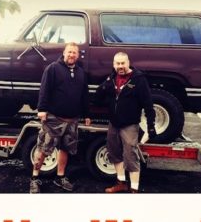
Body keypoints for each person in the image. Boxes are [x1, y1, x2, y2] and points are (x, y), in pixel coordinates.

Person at [30, 42, 90, 193]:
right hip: (54, 119)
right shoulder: (53, 69)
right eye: (69, 52)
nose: (71, 55)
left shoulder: (81, 73)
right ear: (64, 53)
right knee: (43, 148)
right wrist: (42, 109)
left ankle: (60, 177)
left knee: (65, 149)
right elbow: (44, 89)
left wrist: (87, 114)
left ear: (78, 55)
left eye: (74, 53)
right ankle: (35, 178)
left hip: (73, 120)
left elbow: (84, 96)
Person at [95, 52, 156, 193]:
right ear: (114, 64)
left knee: (131, 156)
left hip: (130, 125)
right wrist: (106, 85)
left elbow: (148, 105)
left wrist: (151, 126)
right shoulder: (112, 78)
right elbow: (98, 98)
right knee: (114, 153)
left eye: (123, 63)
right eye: (117, 63)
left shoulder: (138, 80)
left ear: (128, 63)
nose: (120, 66)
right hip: (113, 124)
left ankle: (134, 189)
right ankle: (121, 182)